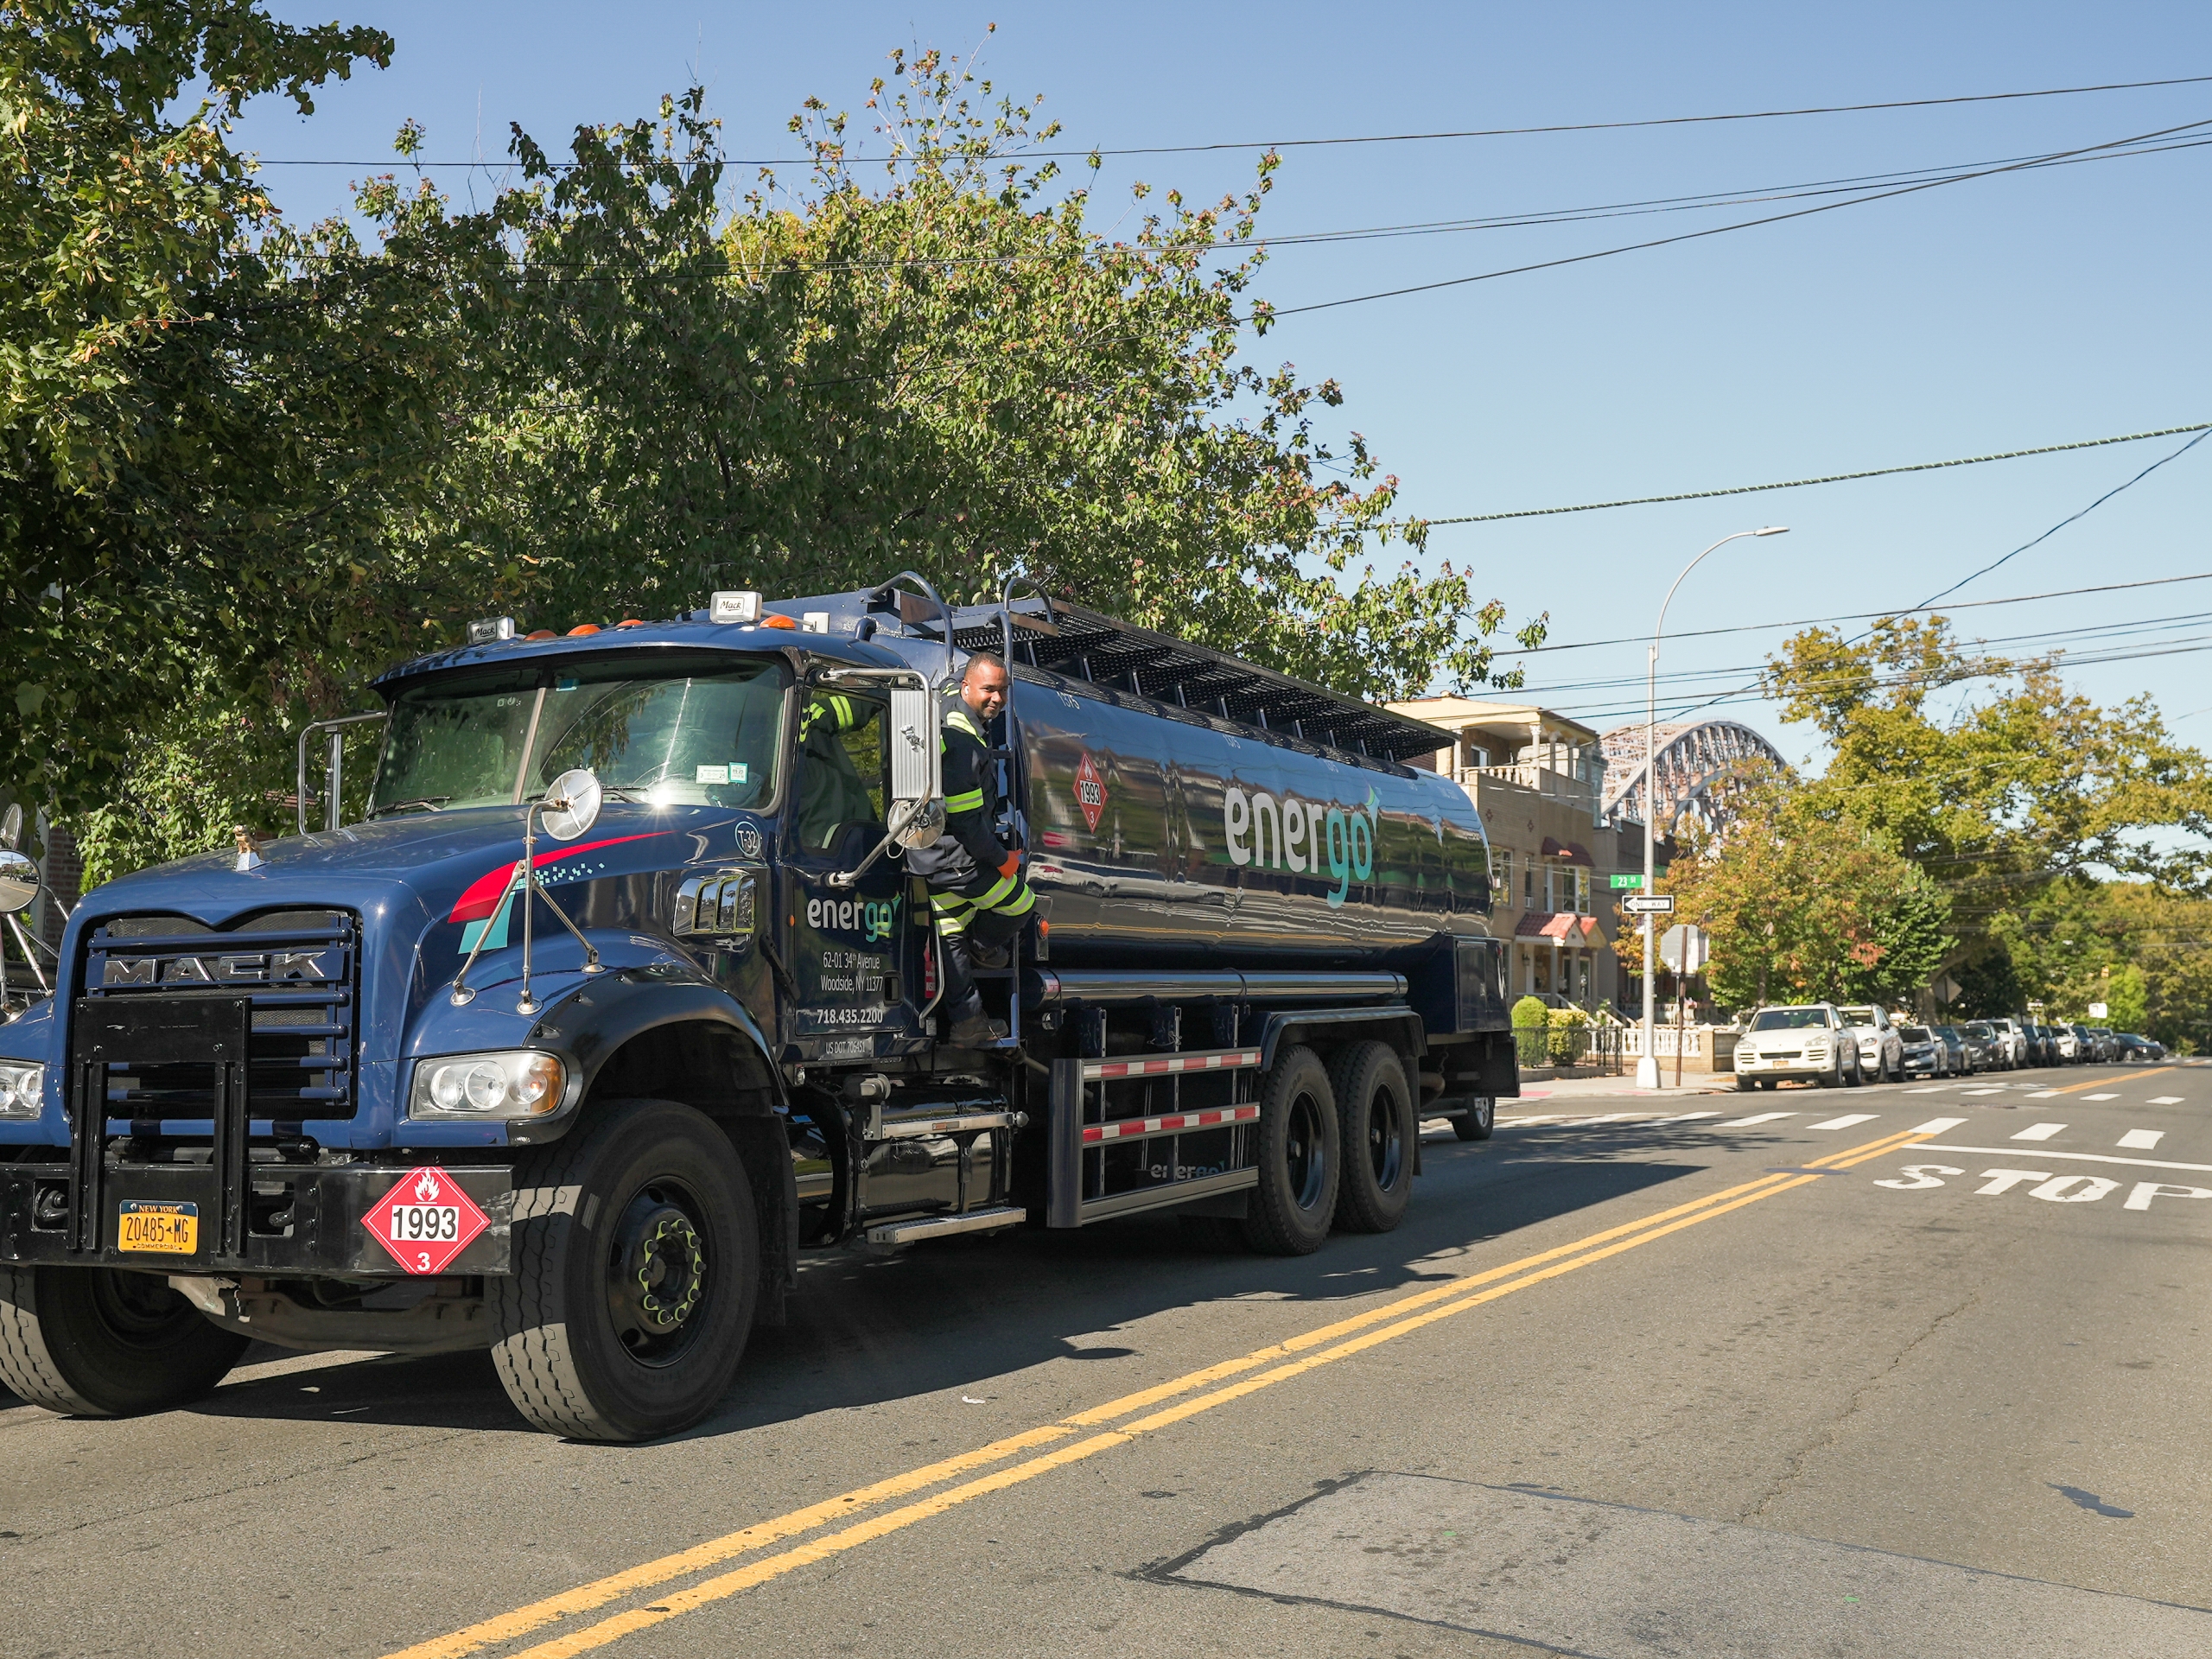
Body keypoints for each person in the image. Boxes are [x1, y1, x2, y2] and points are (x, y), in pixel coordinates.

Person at [906, 652, 1033, 1046]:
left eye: (1003, 690)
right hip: (955, 858)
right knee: (1021, 904)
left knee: (950, 930)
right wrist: (1003, 859)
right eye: (989, 689)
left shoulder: (950, 710)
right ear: (966, 687)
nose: (997, 698)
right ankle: (982, 951)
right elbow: (967, 824)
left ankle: (967, 1021)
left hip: (930, 857)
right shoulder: (964, 743)